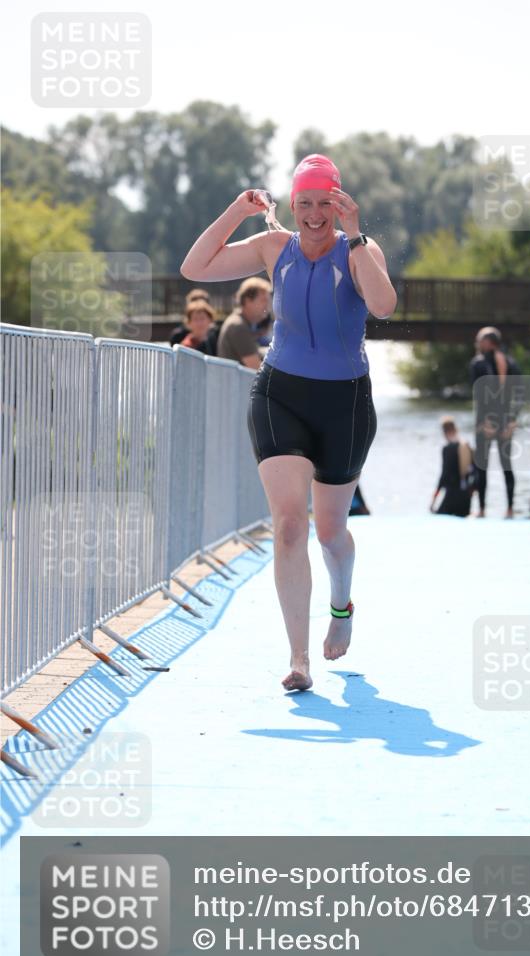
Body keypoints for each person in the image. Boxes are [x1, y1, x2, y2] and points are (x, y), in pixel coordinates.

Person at [181, 154, 397, 692]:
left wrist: (354, 236)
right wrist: (237, 210)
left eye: (326, 202)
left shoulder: (360, 250)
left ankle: (341, 603)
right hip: (280, 393)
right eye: (305, 203)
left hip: (345, 403)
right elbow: (196, 268)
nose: (315, 214)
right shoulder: (274, 248)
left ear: (341, 202)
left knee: (329, 531)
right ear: (293, 205)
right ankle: (299, 658)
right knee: (289, 524)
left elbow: (385, 306)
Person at [469, 326, 522, 518]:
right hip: (498, 422)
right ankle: (499, 509)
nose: (477, 343)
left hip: (491, 423)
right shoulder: (506, 363)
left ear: (489, 342)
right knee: (496, 466)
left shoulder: (483, 363)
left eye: (479, 339)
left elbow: (480, 394)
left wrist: (490, 422)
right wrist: (510, 421)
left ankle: (490, 510)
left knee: (491, 466)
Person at [217, 277, 272, 369]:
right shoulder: (238, 326)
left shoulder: (239, 322)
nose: (268, 305)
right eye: (263, 300)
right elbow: (257, 369)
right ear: (247, 301)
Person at [430, 417, 475, 517]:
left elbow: (444, 476)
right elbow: (475, 471)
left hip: (452, 496)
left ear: (445, 432)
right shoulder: (467, 446)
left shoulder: (447, 449)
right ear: (455, 429)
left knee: (438, 517)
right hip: (466, 497)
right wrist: (472, 491)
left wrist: (434, 499)